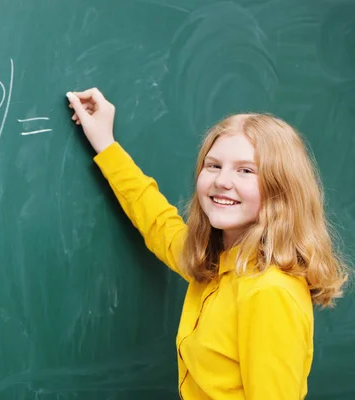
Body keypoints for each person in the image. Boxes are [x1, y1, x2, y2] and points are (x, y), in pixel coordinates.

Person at [66, 88, 348, 399]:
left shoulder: (269, 292)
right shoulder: (218, 263)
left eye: (245, 170)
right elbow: (159, 223)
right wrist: (106, 144)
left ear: (280, 189)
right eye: (213, 165)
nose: (222, 181)